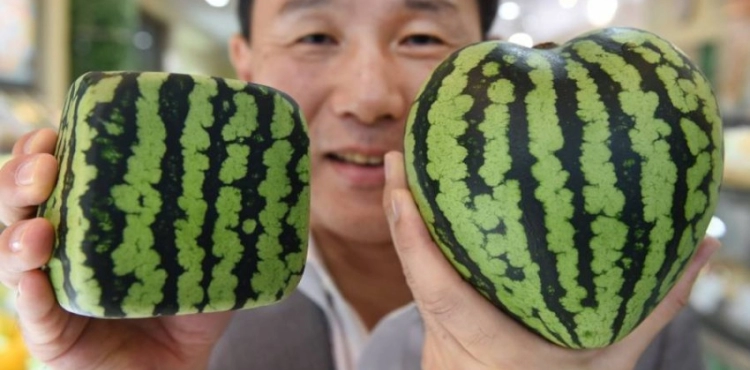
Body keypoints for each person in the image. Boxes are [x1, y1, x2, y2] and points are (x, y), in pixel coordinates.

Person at [0, 0, 720, 369]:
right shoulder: (167, 304)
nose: (369, 98)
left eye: (422, 39)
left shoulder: (643, 319)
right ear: (246, 62)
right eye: (315, 36)